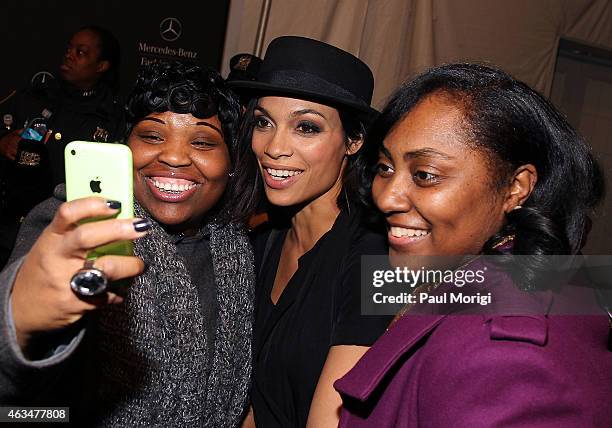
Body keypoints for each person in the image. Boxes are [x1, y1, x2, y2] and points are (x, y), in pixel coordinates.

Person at [333, 63, 612, 426]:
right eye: (386, 168)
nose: (387, 197)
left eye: (425, 175)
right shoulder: (476, 284)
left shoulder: (505, 352)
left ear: (515, 188)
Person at [0, 61, 254, 427]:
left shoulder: (236, 247)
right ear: (123, 146)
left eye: (202, 142)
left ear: (230, 162)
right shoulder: (74, 221)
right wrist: (18, 318)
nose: (174, 156)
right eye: (152, 136)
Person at [229, 36, 392, 428]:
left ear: (354, 141)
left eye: (306, 127)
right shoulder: (260, 243)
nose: (274, 147)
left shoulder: (374, 256)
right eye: (263, 122)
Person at [0, 25, 124, 269]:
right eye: (69, 49)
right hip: (8, 227)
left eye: (81, 52)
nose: (69, 55)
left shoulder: (113, 118)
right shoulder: (33, 97)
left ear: (101, 66)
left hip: (63, 239)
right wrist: (2, 143)